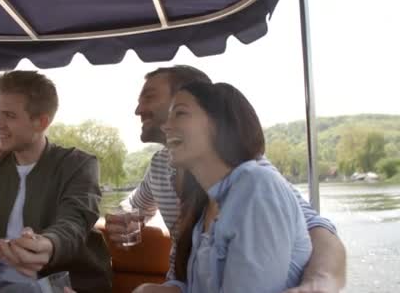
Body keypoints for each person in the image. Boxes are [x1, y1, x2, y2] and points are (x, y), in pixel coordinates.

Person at [106, 65, 346, 292]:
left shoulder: (250, 177)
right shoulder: (161, 167)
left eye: (149, 97)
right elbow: (133, 207)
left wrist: (320, 282)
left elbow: (316, 227)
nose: (138, 110)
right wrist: (128, 221)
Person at [0, 71, 111, 293]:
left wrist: (50, 244)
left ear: (41, 122)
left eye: (9, 115)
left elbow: (74, 222)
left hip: (55, 285)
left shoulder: (78, 165)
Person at [153, 80, 312, 292]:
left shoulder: (258, 187)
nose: (165, 125)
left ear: (219, 124)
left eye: (180, 113)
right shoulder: (206, 203)